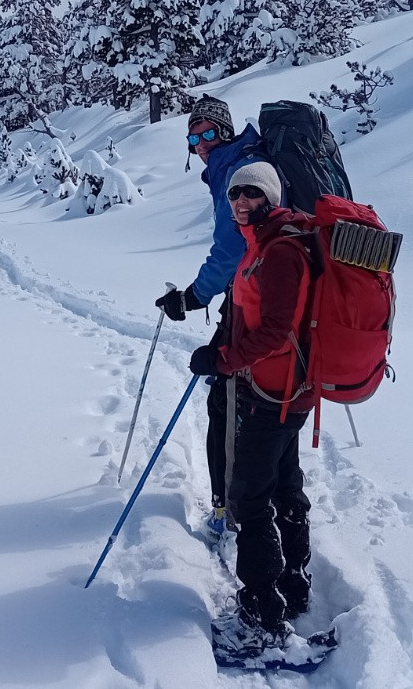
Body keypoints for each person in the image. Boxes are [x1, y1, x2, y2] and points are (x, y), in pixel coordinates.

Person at [187, 161, 319, 658]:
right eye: (234, 193)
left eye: (252, 192)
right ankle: (293, 585)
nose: (241, 200)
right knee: (283, 485)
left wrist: (224, 361)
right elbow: (252, 317)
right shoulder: (261, 244)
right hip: (282, 389)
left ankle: (262, 616)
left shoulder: (280, 251)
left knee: (249, 495)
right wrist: (223, 346)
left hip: (275, 392)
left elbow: (277, 332)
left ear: (271, 198)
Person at [154, 94, 270, 537]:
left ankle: (229, 512)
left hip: (255, 302)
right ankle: (260, 510)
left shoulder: (236, 171)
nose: (200, 145)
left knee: (227, 404)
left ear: (224, 130)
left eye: (206, 133)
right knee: (260, 407)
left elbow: (230, 249)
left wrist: (193, 297)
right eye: (192, 139)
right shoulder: (248, 159)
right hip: (271, 296)